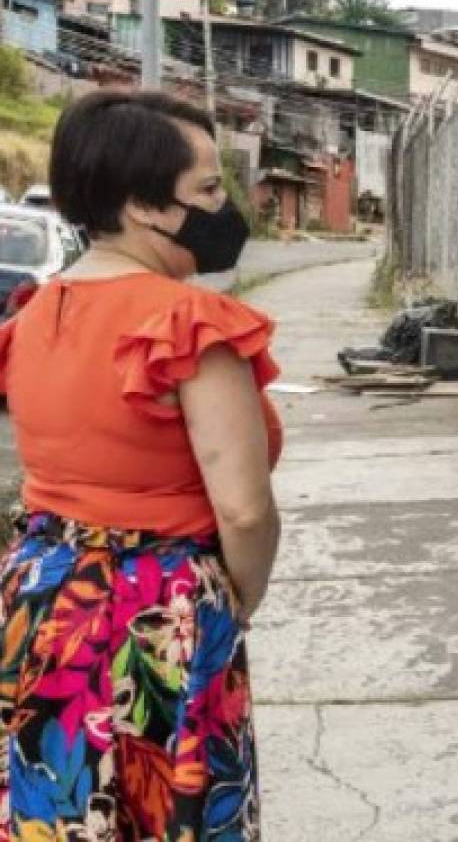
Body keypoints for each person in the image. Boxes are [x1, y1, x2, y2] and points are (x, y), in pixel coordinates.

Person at [0, 90, 281, 839]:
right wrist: (235, 598)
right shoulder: (189, 324)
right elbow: (245, 509)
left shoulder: (28, 318)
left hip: (41, 600)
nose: (227, 207)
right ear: (148, 206)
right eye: (210, 189)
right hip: (164, 606)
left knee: (61, 809)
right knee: (169, 812)